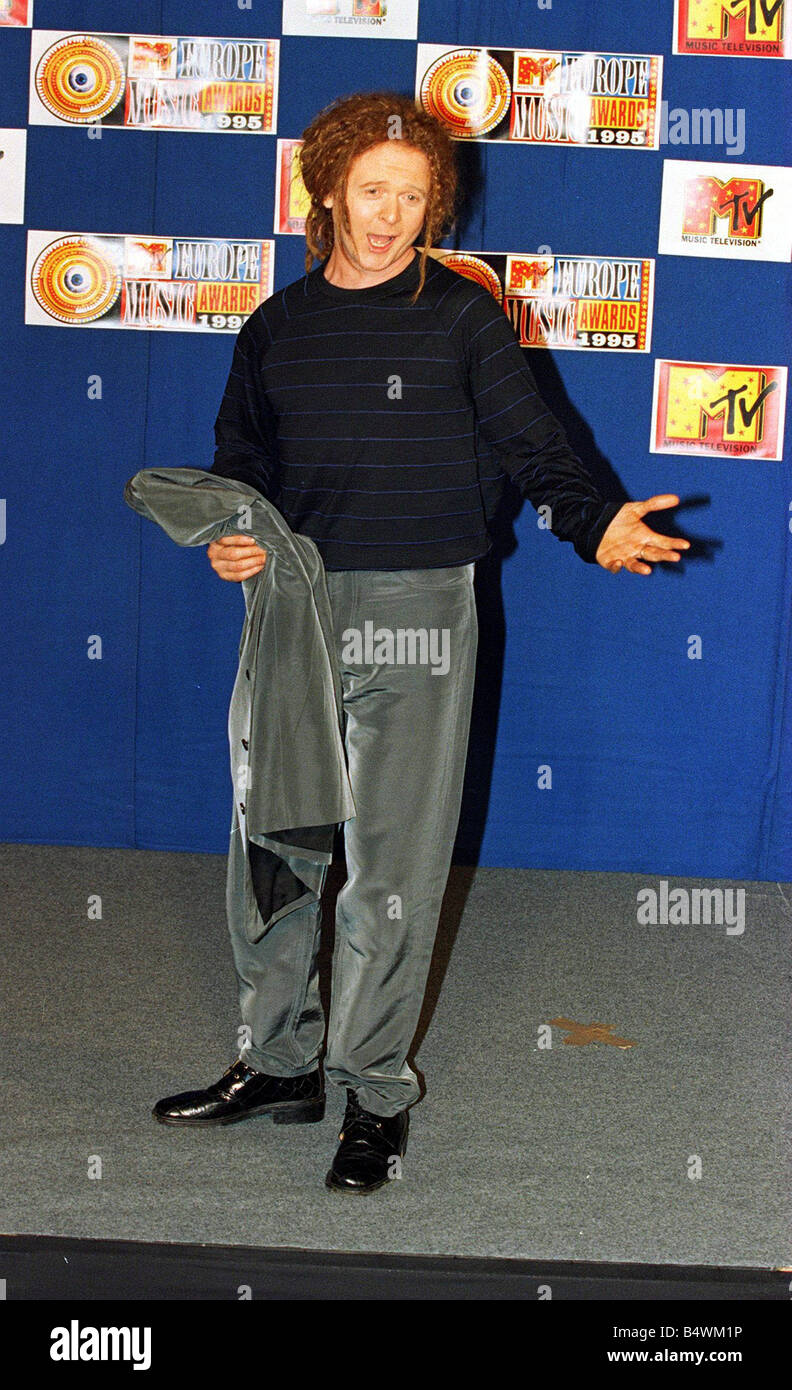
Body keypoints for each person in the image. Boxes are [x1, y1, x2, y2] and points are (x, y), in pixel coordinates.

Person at [153, 91, 690, 1194]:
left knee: (389, 870)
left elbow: (538, 447)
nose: (392, 214)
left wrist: (595, 523)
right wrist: (238, 538)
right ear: (329, 191)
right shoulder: (277, 326)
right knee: (276, 850)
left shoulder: (462, 318)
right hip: (293, 609)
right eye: (373, 191)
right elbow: (241, 459)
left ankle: (374, 1091)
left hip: (419, 611)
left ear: (430, 207)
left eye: (413, 196)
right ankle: (282, 1061)